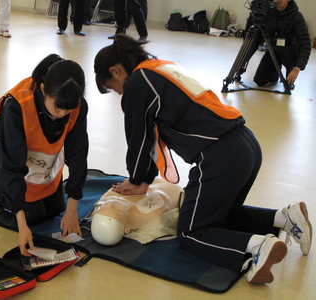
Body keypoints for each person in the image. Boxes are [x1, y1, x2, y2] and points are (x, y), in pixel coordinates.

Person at [93, 34, 312, 284]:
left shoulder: (137, 83)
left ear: (116, 71)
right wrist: (145, 177)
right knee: (219, 217)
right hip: (246, 143)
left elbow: (139, 137)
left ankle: (259, 246)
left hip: (219, 155)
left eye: (112, 87)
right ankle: (284, 218)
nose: (118, 93)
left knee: (190, 232)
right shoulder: (160, 68)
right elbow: (151, 136)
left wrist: (137, 179)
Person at [0, 54, 89, 256]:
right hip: (4, 139)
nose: (63, 114)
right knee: (30, 214)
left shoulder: (75, 105)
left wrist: (72, 209)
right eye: (57, 107)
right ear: (42, 90)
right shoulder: (17, 106)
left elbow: (78, 155)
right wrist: (22, 226)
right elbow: (12, 167)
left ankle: (30, 200)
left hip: (37, 149)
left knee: (56, 206)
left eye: (68, 109)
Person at [91, 178, 184, 245]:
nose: (110, 204)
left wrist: (137, 179)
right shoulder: (151, 214)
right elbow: (165, 197)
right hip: (171, 189)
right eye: (115, 210)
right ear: (127, 229)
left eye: (104, 207)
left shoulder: (105, 199)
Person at [245, 0, 311, 89]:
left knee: (287, 53)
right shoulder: (268, 12)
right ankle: (275, 73)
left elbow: (305, 43)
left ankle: (290, 77)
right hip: (273, 50)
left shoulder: (296, 16)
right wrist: (244, 61)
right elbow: (257, 39)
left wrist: (297, 68)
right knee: (259, 81)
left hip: (289, 51)